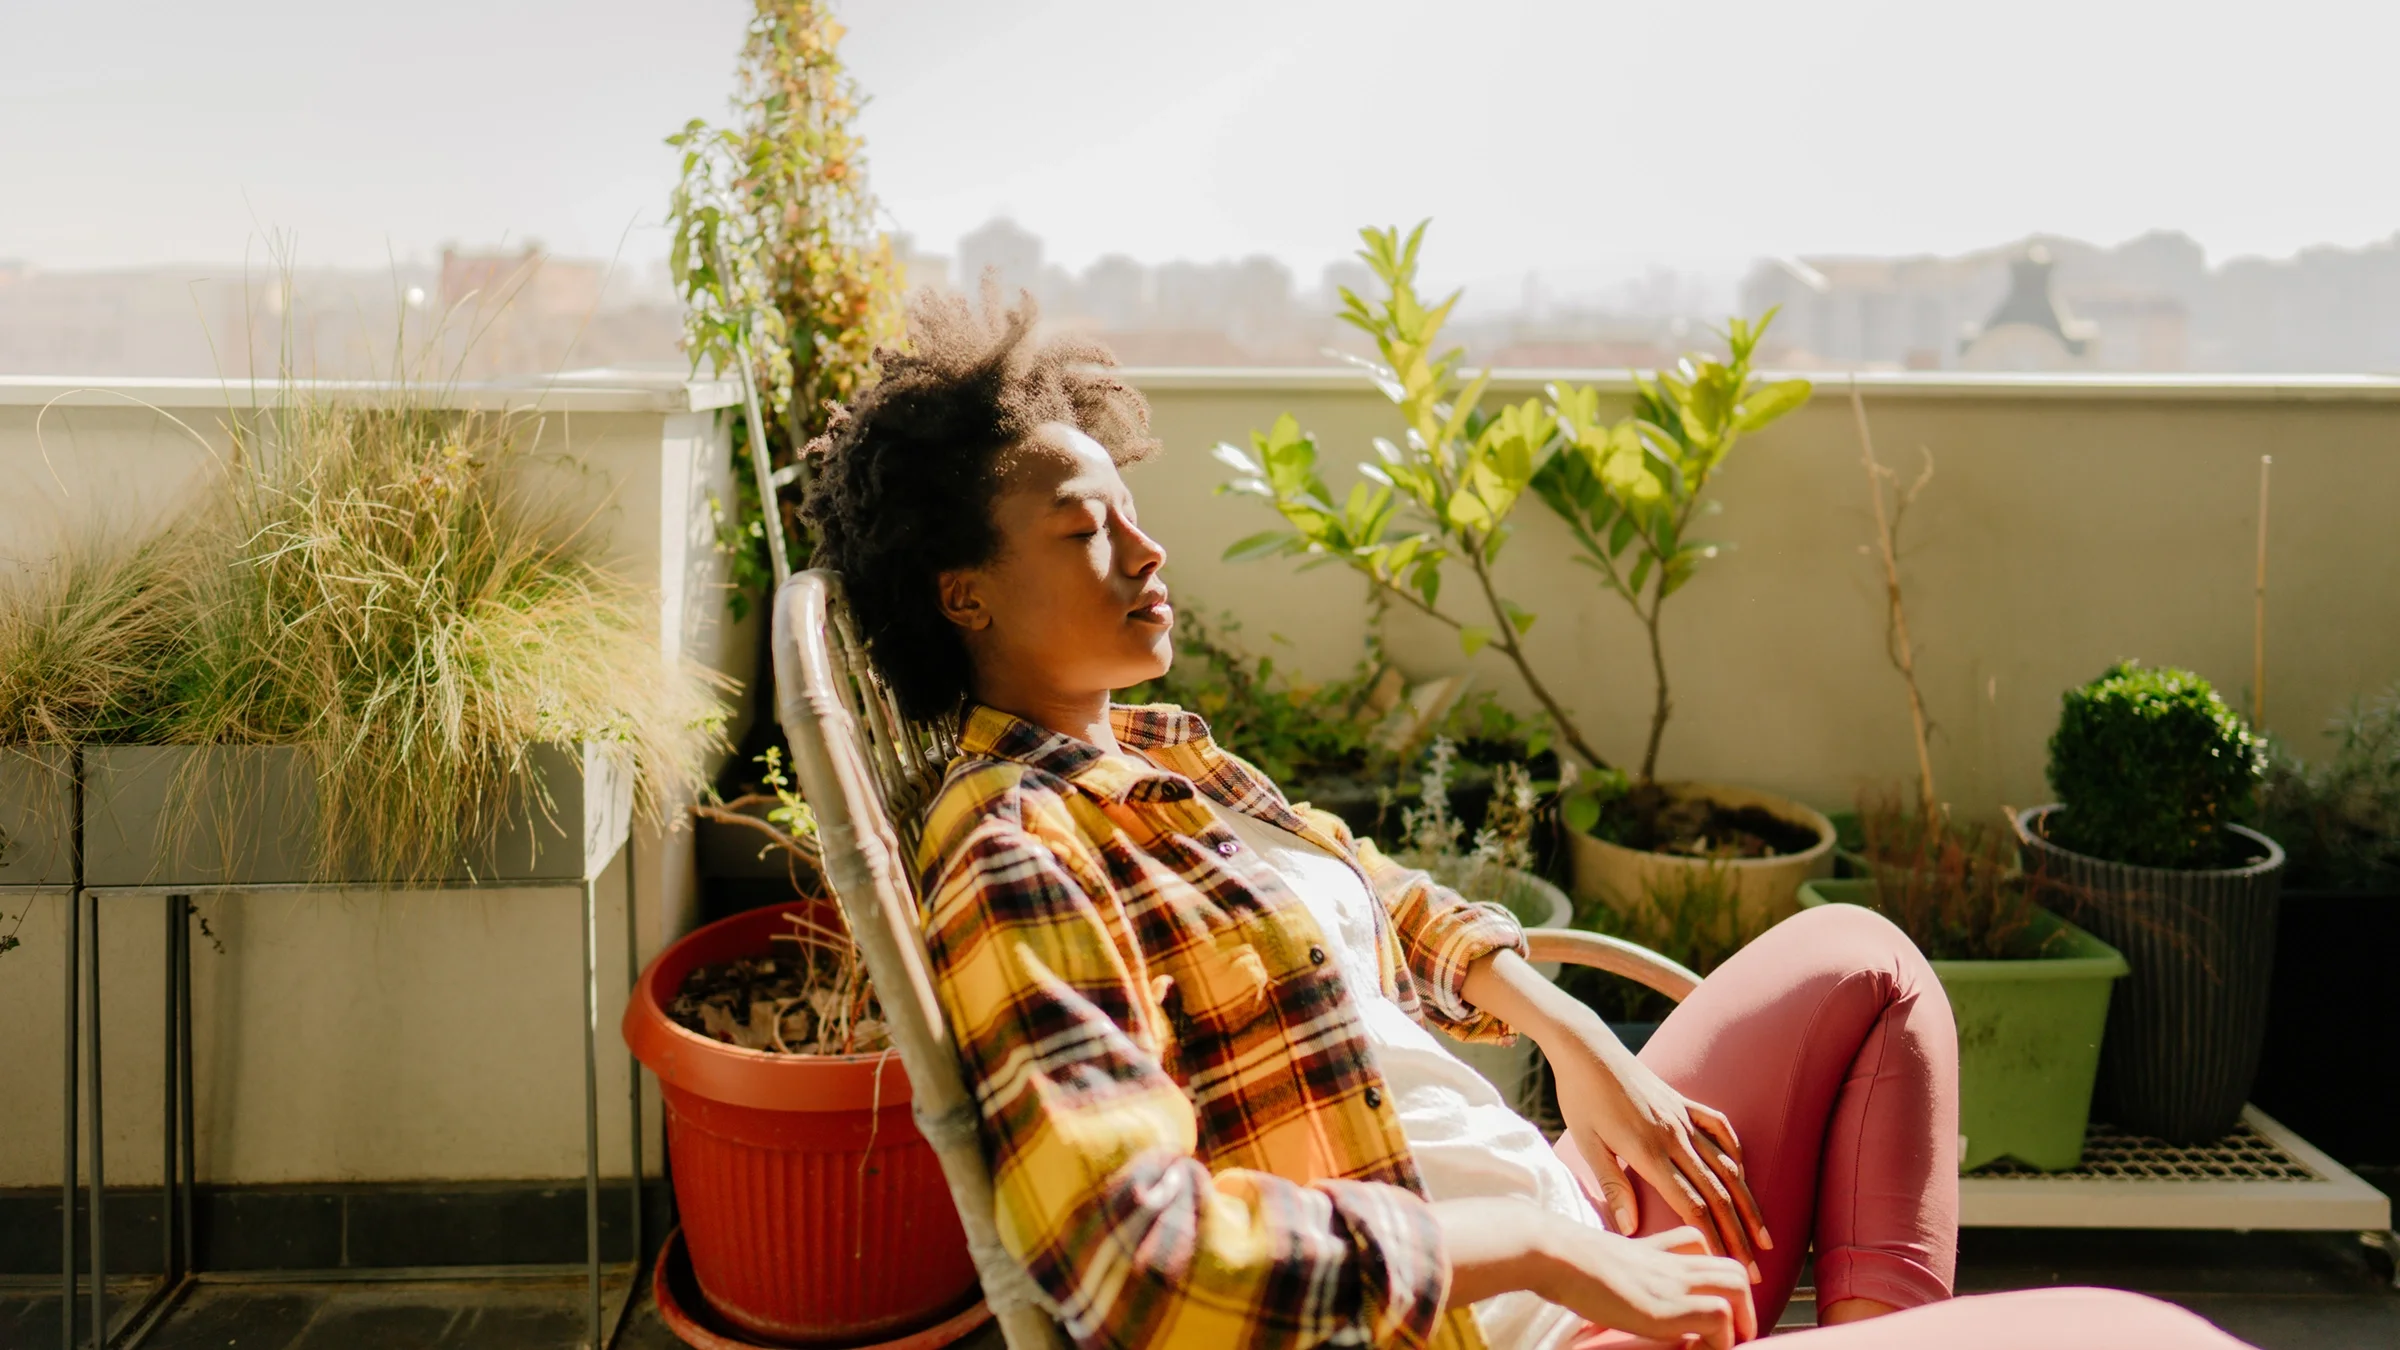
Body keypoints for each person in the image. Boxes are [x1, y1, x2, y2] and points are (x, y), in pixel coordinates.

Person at [800, 289, 2251, 1350]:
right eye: (1083, 529)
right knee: (2155, 1337)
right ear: (963, 594)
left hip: (1566, 1218)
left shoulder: (1160, 755)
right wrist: (1529, 1250)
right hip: (1494, 1313)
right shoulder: (1017, 854)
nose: (1146, 547)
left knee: (1865, 964)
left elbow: (1382, 899)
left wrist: (1571, 1035)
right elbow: (1137, 1258)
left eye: (1132, 509)